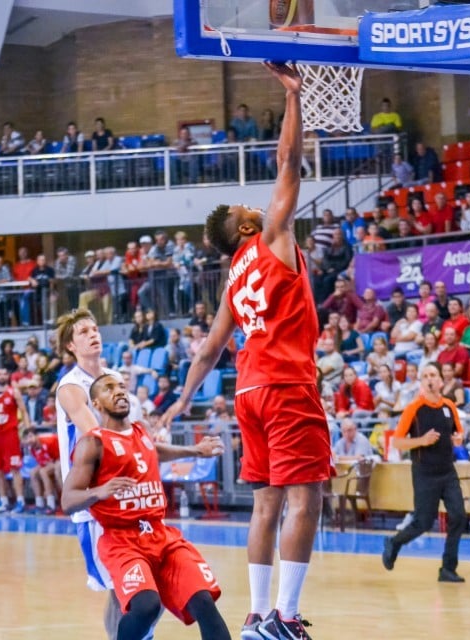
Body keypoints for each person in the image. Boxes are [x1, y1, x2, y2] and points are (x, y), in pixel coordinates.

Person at [162, 63, 326, 639]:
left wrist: (180, 400)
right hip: (285, 385)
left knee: (266, 503)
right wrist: (293, 97)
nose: (248, 206)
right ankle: (284, 618)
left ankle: (256, 615)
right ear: (245, 229)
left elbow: (207, 351)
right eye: (240, 211)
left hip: (249, 392)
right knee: (305, 496)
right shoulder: (274, 236)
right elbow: (288, 163)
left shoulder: (233, 278)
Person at [62, 374, 229, 640]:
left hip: (160, 534)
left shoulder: (142, 431)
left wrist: (196, 450)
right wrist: (98, 491)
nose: (118, 392)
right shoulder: (92, 442)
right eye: (109, 389)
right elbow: (68, 500)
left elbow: (154, 449)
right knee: (146, 606)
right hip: (122, 540)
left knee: (204, 602)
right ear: (96, 403)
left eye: (121, 387)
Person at [55, 308, 159, 640]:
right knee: (121, 587)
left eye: (95, 329)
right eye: (83, 332)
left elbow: (139, 430)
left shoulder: (113, 378)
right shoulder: (71, 387)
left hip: (134, 494)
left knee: (144, 582)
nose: (92, 334)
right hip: (96, 501)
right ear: (71, 346)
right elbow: (101, 434)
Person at [381, 363, 467, 582]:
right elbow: (398, 442)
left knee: (458, 516)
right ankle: (394, 542)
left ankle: (448, 568)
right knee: (424, 522)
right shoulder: (414, 408)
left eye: (434, 375)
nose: (430, 379)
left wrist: (458, 439)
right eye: (426, 375)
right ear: (422, 381)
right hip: (424, 473)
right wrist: (422, 441)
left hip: (448, 471)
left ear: (440, 380)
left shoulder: (449, 406)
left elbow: (458, 433)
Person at [0, 368, 31, 512]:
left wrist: (27, 430)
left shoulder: (13, 392)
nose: (2, 376)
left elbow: (23, 411)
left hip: (10, 434)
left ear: (8, 376)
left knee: (14, 468)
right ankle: (3, 500)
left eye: (5, 374)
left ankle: (20, 501)